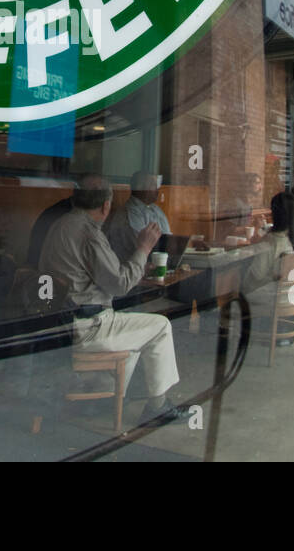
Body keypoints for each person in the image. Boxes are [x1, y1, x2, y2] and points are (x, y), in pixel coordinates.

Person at [38, 174, 187, 423]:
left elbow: (91, 273)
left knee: (136, 332)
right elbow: (121, 285)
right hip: (88, 327)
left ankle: (104, 397)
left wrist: (136, 265)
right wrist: (143, 249)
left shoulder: (61, 225)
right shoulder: (89, 233)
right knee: (160, 326)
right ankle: (158, 407)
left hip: (60, 322)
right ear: (106, 205)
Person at [107, 170, 172, 258]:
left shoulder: (155, 209)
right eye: (152, 186)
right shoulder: (129, 212)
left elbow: (168, 239)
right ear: (140, 188)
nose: (157, 190)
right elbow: (142, 246)